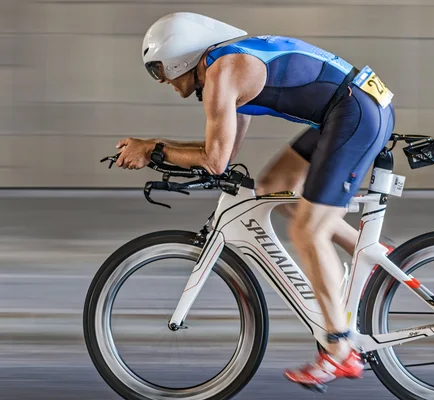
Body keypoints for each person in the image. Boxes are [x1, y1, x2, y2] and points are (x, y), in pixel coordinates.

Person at [114, 12, 396, 392]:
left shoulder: (222, 74)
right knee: (273, 186)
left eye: (158, 69)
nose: (161, 79)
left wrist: (153, 148)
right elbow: (223, 157)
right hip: (350, 109)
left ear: (180, 55)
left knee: (307, 232)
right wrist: (156, 150)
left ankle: (340, 349)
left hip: (355, 113)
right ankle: (371, 259)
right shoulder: (225, 68)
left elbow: (213, 160)